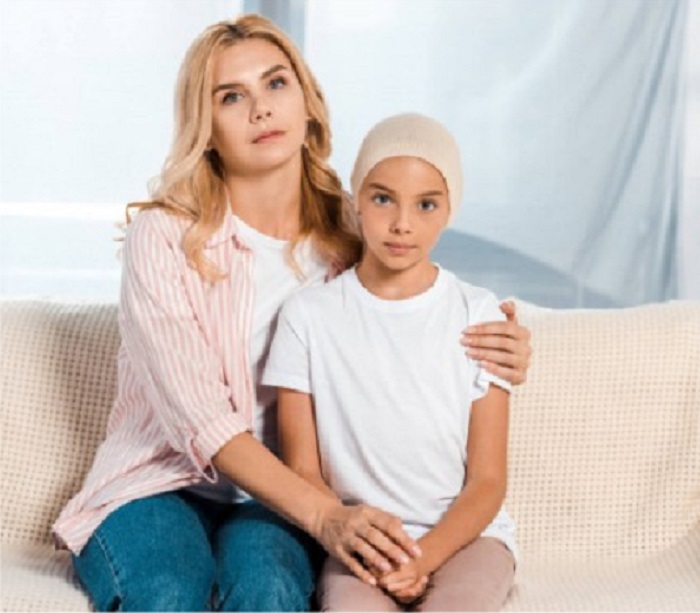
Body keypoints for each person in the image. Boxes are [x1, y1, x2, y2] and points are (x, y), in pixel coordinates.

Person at [52, 14, 531, 613]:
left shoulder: (354, 227)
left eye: (276, 83)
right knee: (169, 590)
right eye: (232, 96)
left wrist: (504, 342)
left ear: (308, 103)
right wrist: (328, 517)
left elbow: (419, 300)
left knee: (269, 589)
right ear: (207, 128)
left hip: (283, 493)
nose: (261, 109)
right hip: (161, 482)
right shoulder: (164, 237)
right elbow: (202, 420)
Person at [264, 113, 518, 611]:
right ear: (356, 200)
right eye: (383, 199)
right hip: (360, 541)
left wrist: (425, 558)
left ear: (449, 210)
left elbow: (488, 481)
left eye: (426, 204)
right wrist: (364, 542)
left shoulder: (478, 314)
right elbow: (303, 468)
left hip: (467, 538)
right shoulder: (307, 316)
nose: (403, 223)